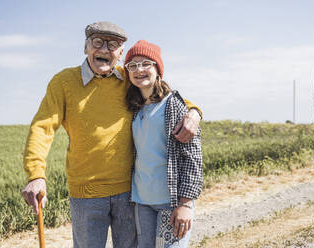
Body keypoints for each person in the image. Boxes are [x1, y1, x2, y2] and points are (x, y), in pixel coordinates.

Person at [20, 21, 202, 248]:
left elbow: (164, 95)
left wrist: (194, 112)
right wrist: (36, 174)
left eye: (113, 45)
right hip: (86, 195)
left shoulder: (128, 78)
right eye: (97, 42)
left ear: (120, 53)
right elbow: (42, 127)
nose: (104, 49)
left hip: (129, 193)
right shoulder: (63, 82)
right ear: (85, 47)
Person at [124, 40, 203, 248]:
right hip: (142, 201)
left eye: (146, 64)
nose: (139, 69)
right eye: (132, 65)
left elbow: (193, 157)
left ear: (158, 69)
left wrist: (185, 204)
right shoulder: (134, 109)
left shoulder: (173, 106)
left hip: (171, 202)